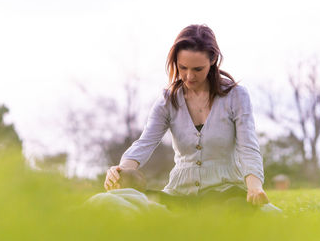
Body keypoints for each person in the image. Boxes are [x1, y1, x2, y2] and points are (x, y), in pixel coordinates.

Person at [104, 24, 272, 210]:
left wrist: (254, 186)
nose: (189, 76)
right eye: (182, 67)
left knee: (234, 210)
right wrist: (121, 170)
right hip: (179, 194)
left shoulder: (236, 96)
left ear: (213, 59)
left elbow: (248, 146)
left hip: (226, 192)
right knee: (123, 202)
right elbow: (145, 143)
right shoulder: (167, 100)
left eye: (198, 69)